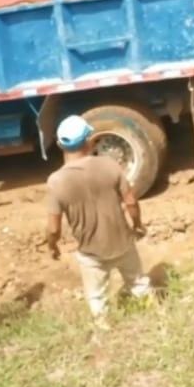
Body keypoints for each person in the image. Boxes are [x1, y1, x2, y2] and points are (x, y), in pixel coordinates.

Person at [45, 116, 152, 328]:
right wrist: (137, 225)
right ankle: (152, 323)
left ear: (59, 145)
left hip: (91, 254)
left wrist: (52, 246)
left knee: (97, 297)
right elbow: (131, 202)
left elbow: (53, 228)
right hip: (123, 243)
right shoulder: (109, 165)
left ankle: (105, 331)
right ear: (89, 141)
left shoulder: (56, 181)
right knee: (139, 284)